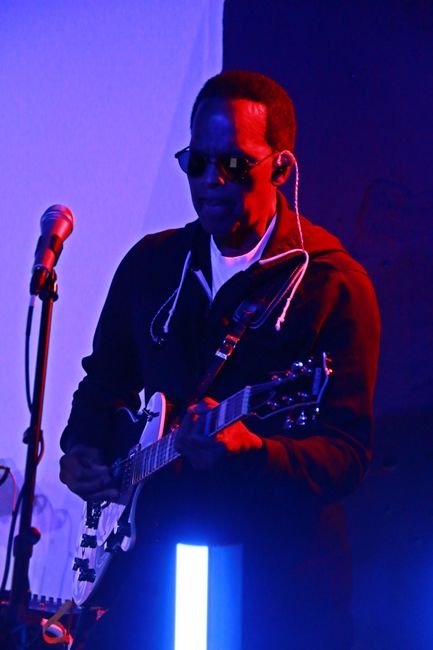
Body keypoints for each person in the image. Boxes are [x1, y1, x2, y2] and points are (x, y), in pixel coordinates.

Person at [59, 70, 380, 649]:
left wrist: (255, 452)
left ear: (280, 168)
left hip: (278, 590)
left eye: (234, 164)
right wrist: (84, 449)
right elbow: (104, 382)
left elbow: (346, 456)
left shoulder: (333, 285)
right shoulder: (152, 265)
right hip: (153, 571)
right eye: (197, 163)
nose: (211, 180)